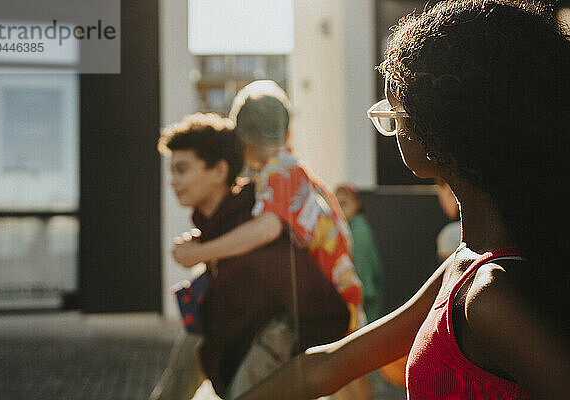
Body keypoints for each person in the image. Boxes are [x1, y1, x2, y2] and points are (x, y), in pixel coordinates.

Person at [235, 1, 570, 398]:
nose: (391, 125)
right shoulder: (465, 267)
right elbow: (326, 365)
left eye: (396, 113)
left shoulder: (490, 294)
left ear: (442, 127)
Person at [157, 113, 350, 399]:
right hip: (239, 341)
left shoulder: (251, 225)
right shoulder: (220, 225)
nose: (173, 181)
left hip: (275, 342)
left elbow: (320, 305)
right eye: (171, 171)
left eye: (182, 169)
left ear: (220, 172)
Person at [172, 81, 366, 332]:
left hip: (333, 308)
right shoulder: (290, 169)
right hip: (337, 300)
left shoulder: (279, 170)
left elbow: (267, 229)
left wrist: (201, 253)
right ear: (287, 133)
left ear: (243, 142)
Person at [335, 184, 383, 323]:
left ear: (357, 204)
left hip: (364, 305)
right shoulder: (348, 227)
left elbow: (363, 278)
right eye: (336, 204)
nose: (340, 209)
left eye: (344, 203)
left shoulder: (359, 231)